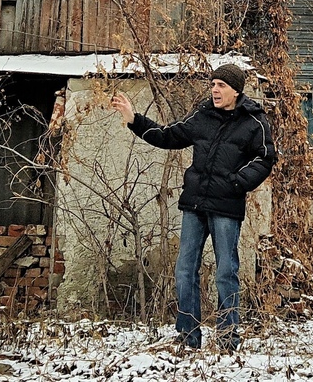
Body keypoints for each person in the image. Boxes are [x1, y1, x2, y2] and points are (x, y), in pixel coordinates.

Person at [111, 63, 277, 351]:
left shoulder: (254, 122)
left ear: (236, 91)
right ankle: (189, 338)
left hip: (226, 207)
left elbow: (265, 159)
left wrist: (236, 183)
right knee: (184, 271)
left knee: (226, 272)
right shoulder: (202, 116)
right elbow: (167, 136)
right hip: (195, 204)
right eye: (212, 84)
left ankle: (228, 340)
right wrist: (134, 120)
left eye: (221, 85)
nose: (214, 89)